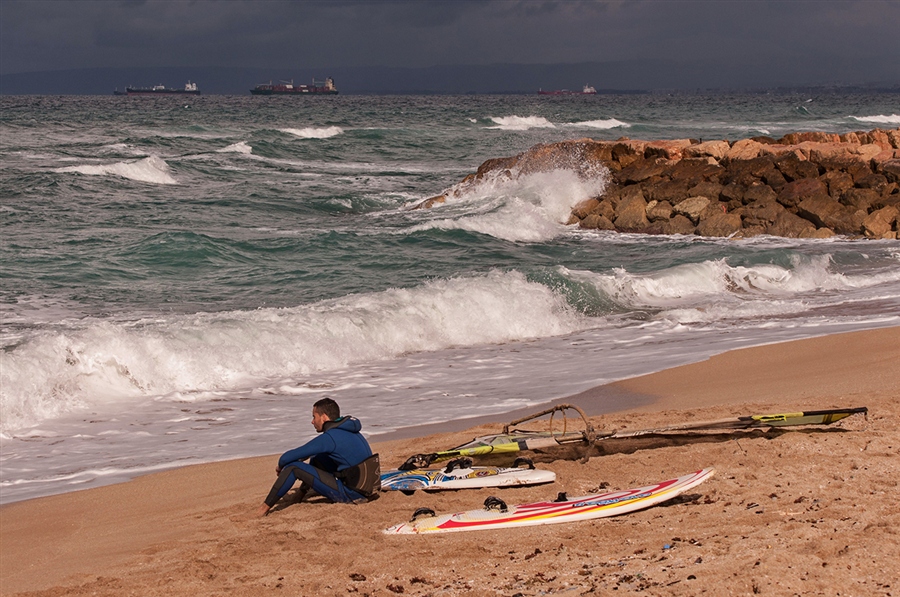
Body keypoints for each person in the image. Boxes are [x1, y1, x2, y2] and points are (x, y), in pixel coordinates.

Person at [255, 398, 380, 517]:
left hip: (353, 495)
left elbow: (286, 457)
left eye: (314, 417)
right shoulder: (351, 430)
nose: (312, 421)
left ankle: (263, 509)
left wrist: (280, 466)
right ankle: (300, 495)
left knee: (293, 468)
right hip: (369, 489)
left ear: (324, 417)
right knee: (318, 458)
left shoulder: (330, 437)